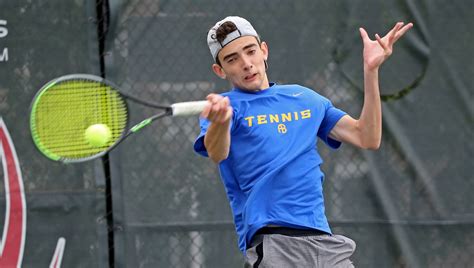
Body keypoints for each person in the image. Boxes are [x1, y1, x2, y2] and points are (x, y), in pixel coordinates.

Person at [194, 16, 413, 267]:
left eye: (250, 51)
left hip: (325, 242)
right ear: (220, 70)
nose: (246, 64)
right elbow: (217, 152)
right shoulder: (225, 107)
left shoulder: (305, 98)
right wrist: (221, 122)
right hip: (274, 242)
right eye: (232, 59)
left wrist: (371, 72)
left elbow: (367, 137)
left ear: (264, 50)